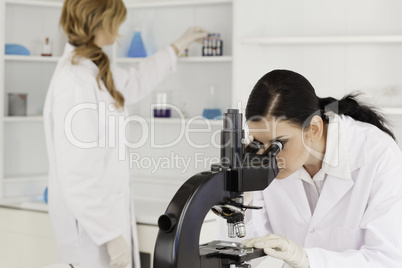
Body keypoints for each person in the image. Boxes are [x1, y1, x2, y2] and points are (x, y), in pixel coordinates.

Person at [43, 0, 208, 267]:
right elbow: (78, 174)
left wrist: (177, 45)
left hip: (104, 221)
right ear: (98, 21)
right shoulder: (75, 82)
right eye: (116, 19)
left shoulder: (94, 69)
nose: (119, 28)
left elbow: (135, 81)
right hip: (90, 236)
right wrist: (110, 237)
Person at [241, 69, 402, 268]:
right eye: (258, 142)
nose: (268, 158)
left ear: (314, 129)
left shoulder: (377, 154)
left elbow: (387, 259)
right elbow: (249, 246)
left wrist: (307, 260)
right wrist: (242, 194)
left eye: (278, 144)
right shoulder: (267, 160)